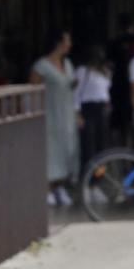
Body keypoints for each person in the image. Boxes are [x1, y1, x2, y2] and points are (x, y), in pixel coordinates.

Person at [31, 29, 80, 208]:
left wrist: (77, 112)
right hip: (50, 113)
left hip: (66, 113)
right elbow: (33, 91)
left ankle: (60, 186)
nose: (69, 44)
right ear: (58, 43)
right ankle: (47, 188)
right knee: (50, 151)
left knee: (67, 149)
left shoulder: (67, 64)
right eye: (67, 41)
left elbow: (73, 90)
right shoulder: (41, 66)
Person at [76, 44, 114, 164]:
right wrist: (78, 114)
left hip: (101, 108)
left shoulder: (105, 72)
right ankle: (88, 175)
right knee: (89, 143)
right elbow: (76, 93)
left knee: (102, 143)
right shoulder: (83, 72)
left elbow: (105, 90)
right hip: (88, 108)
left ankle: (100, 175)